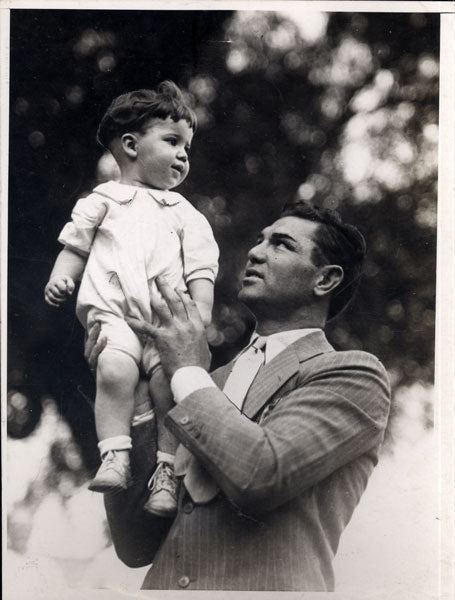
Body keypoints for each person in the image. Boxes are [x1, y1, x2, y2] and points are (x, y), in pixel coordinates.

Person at [86, 202, 391, 591]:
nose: (255, 251)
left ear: (326, 280)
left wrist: (185, 369)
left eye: (281, 244)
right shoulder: (203, 384)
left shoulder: (353, 375)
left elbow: (262, 472)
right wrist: (137, 399)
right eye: (259, 239)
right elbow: (134, 544)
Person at [44, 81, 219, 518]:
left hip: (166, 323)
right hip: (115, 314)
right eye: (173, 141)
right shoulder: (103, 200)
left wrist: (199, 315)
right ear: (130, 145)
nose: (183, 155)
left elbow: (201, 268)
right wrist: (61, 279)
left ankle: (164, 472)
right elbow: (75, 248)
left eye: (188, 148)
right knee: (115, 368)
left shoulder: (185, 213)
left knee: (168, 384)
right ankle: (115, 454)